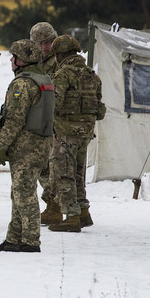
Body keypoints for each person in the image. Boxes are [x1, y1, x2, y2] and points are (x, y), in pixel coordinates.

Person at [0, 39, 53, 253]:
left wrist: (1, 147)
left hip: (26, 147)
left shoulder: (23, 83)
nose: (11, 60)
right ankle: (14, 237)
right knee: (19, 192)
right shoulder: (42, 78)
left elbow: (14, 120)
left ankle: (30, 240)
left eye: (14, 56)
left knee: (24, 194)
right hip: (40, 145)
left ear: (23, 60)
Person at [45, 35, 105, 233]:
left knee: (63, 174)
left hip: (66, 132)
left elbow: (55, 103)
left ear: (59, 54)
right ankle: (83, 213)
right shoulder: (91, 75)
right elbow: (98, 106)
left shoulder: (63, 74)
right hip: (85, 133)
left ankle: (71, 217)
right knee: (78, 174)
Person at [29, 21, 62, 224]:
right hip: (39, 118)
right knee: (43, 165)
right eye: (40, 43)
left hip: (54, 119)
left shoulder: (60, 60)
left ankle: (54, 206)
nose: (45, 47)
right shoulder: (32, 61)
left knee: (51, 166)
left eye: (48, 42)